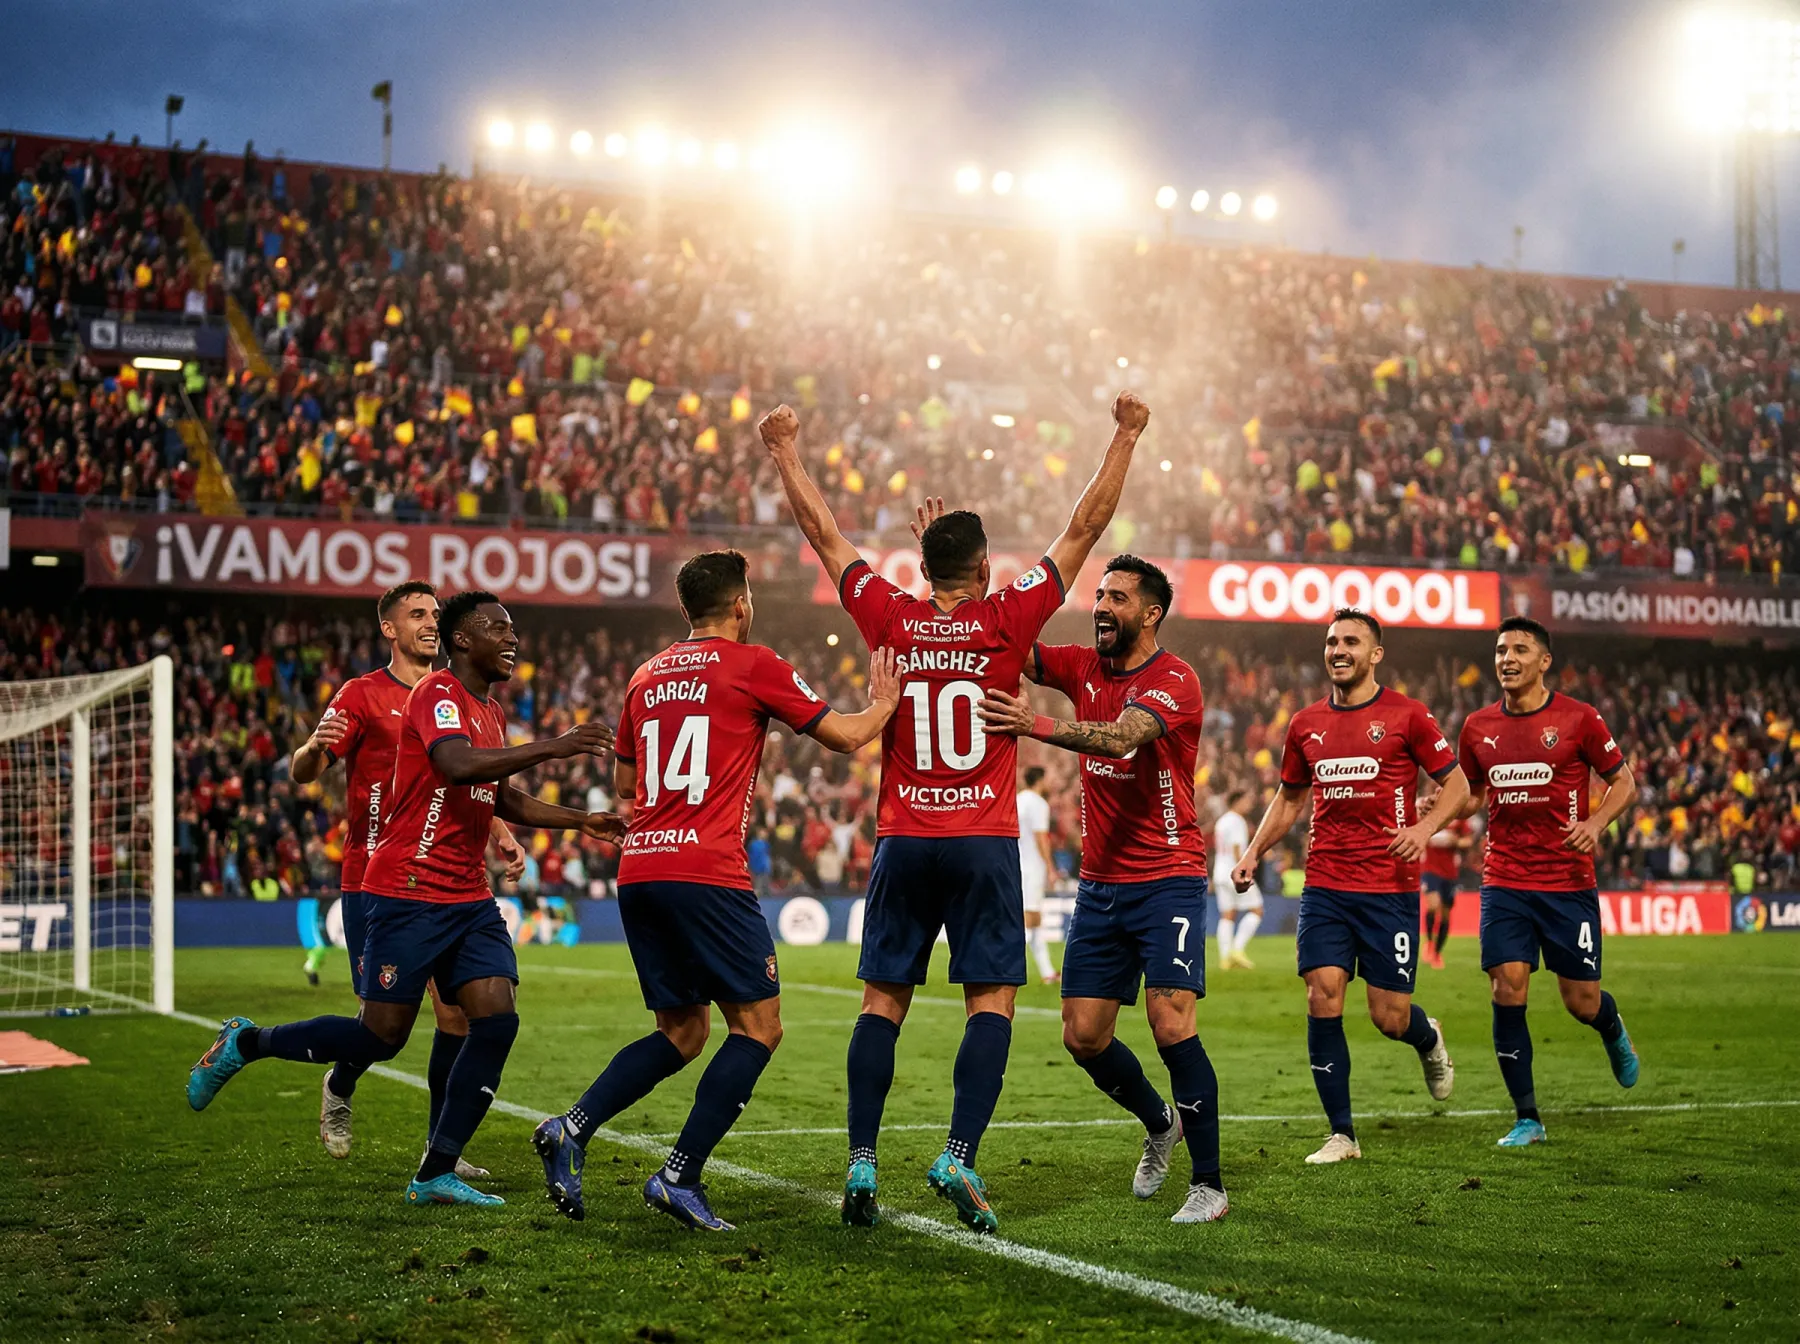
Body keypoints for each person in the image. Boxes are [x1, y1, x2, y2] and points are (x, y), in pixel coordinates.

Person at [762, 391, 1149, 1234]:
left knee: (881, 1003)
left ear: (923, 568)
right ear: (983, 572)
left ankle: (862, 1158)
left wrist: (786, 450)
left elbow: (824, 536)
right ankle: (958, 1156)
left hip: (904, 839)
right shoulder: (1009, 618)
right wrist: (1124, 433)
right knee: (992, 1003)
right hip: (981, 842)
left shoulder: (890, 617)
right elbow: (1084, 526)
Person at [185, 591, 624, 1208]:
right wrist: (554, 746)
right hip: (406, 888)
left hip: (466, 895)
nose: (513, 639)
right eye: (498, 628)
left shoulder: (490, 711)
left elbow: (499, 796)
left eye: (514, 629)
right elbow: (456, 764)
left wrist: (581, 820)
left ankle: (435, 1168)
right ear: (463, 640)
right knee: (382, 1036)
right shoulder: (435, 695)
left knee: (494, 1018)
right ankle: (247, 1042)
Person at [534, 550, 901, 1232]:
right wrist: (884, 702)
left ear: (685, 609)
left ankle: (571, 1128)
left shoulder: (646, 676)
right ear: (741, 604)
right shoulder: (754, 663)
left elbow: (624, 786)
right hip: (707, 871)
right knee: (758, 1027)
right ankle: (680, 1174)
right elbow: (847, 738)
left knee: (681, 1030)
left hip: (641, 866)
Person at [980, 555, 1227, 1224]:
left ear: (1151, 613)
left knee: (1170, 1023)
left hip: (1169, 876)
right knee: (1083, 1037)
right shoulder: (1079, 664)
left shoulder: (1176, 680)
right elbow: (1008, 644)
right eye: (1099, 595)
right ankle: (1159, 1121)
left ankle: (1209, 1184)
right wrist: (965, 590)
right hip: (1102, 884)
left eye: (1117, 597)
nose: (1101, 606)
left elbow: (1120, 741)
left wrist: (1034, 725)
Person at [288, 580, 524, 1172]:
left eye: (434, 613)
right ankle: (340, 1084)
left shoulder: (465, 698)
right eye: (415, 614)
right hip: (374, 877)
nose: (428, 621)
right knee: (381, 1028)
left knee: (457, 1015)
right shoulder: (363, 694)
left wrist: (497, 829)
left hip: (447, 879)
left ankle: (438, 1150)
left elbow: (462, 784)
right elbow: (303, 771)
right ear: (389, 629)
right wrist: (315, 747)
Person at [1230, 608, 1468, 1164]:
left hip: (1389, 888)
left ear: (1375, 654)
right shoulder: (1304, 724)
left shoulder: (1407, 716)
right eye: (1332, 641)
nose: (1339, 650)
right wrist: (1253, 851)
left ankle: (1426, 1037)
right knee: (1322, 994)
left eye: (1352, 642)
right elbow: (1290, 798)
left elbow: (1455, 784)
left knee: (1389, 1016)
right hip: (1326, 885)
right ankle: (1342, 1134)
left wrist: (1424, 829)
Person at [1455, 616, 1641, 1148]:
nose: (1507, 659)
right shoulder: (1477, 727)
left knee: (1580, 1002)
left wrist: (1596, 823)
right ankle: (1527, 1117)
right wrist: (1440, 810)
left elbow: (1624, 781)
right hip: (1505, 880)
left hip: (1566, 882)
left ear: (1544, 661)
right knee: (1506, 985)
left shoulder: (1579, 719)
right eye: (1499, 650)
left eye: (1519, 649)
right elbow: (1471, 794)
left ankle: (1610, 1027)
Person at [1016, 766, 1058, 984]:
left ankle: (1047, 972)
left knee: (1034, 918)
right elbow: (1041, 837)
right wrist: (1050, 867)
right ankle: (1012, 968)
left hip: (1015, 863)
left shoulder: (1018, 799)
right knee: (1029, 919)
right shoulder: (1039, 803)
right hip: (1032, 865)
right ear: (1040, 780)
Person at [1420, 815, 1477, 970]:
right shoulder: (1428, 812)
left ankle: (1437, 953)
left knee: (1445, 914)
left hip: (1450, 872)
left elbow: (1469, 840)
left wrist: (1456, 842)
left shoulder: (1458, 817)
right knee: (1433, 905)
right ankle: (1429, 943)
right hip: (1429, 869)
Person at [1212, 790, 1260, 970]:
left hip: (1220, 871)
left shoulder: (1222, 821)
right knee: (1257, 910)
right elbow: (1237, 848)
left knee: (1227, 915)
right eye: (1246, 801)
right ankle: (1237, 950)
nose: (1249, 804)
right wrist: (1245, 872)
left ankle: (1225, 959)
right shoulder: (1238, 821)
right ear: (1237, 802)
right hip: (1234, 871)